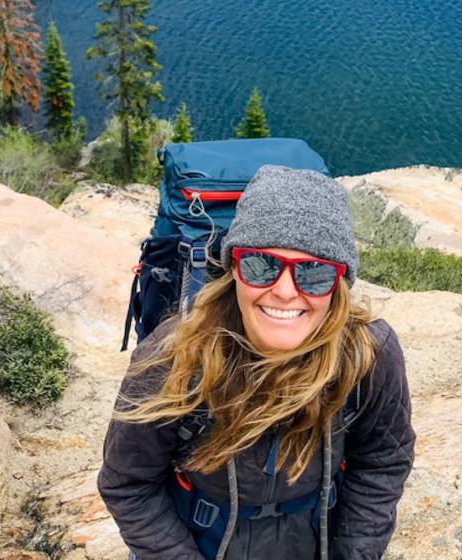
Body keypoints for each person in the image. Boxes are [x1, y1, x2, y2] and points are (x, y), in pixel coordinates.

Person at [98, 165, 415, 560]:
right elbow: (129, 485)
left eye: (314, 273)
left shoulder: (369, 354)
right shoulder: (173, 357)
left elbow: (382, 465)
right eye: (260, 265)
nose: (284, 291)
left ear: (340, 284)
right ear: (233, 268)